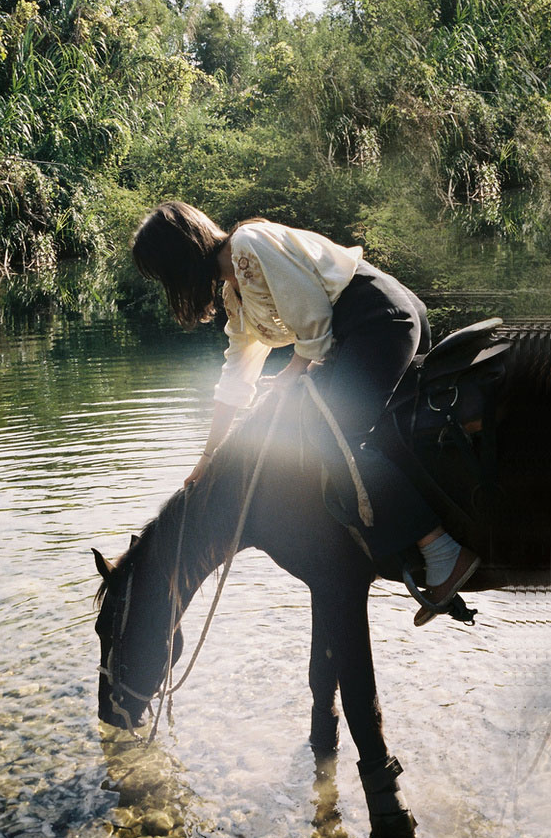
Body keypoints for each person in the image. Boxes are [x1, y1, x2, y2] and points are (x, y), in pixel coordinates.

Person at [132, 201, 479, 607]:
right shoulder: (234, 291)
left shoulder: (250, 244)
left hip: (378, 319)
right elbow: (236, 376)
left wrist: (290, 375)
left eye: (163, 273)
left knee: (330, 436)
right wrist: (207, 458)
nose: (168, 285)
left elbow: (315, 323)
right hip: (359, 333)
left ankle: (443, 550)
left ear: (179, 258)